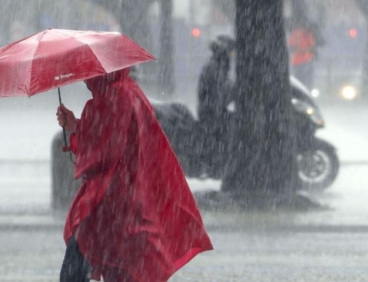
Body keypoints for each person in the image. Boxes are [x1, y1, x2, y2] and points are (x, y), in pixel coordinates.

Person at [56, 68, 213, 282]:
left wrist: (78, 130)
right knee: (120, 266)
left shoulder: (112, 97)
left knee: (79, 264)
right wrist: (76, 125)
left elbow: (105, 150)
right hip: (130, 196)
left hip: (110, 201)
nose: (84, 78)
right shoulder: (130, 91)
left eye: (88, 73)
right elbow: (115, 138)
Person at [196, 35, 235, 176]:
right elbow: (220, 93)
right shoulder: (215, 68)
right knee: (222, 137)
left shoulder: (217, 66)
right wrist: (236, 90)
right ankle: (216, 169)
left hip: (212, 111)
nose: (232, 55)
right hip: (212, 114)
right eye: (231, 51)